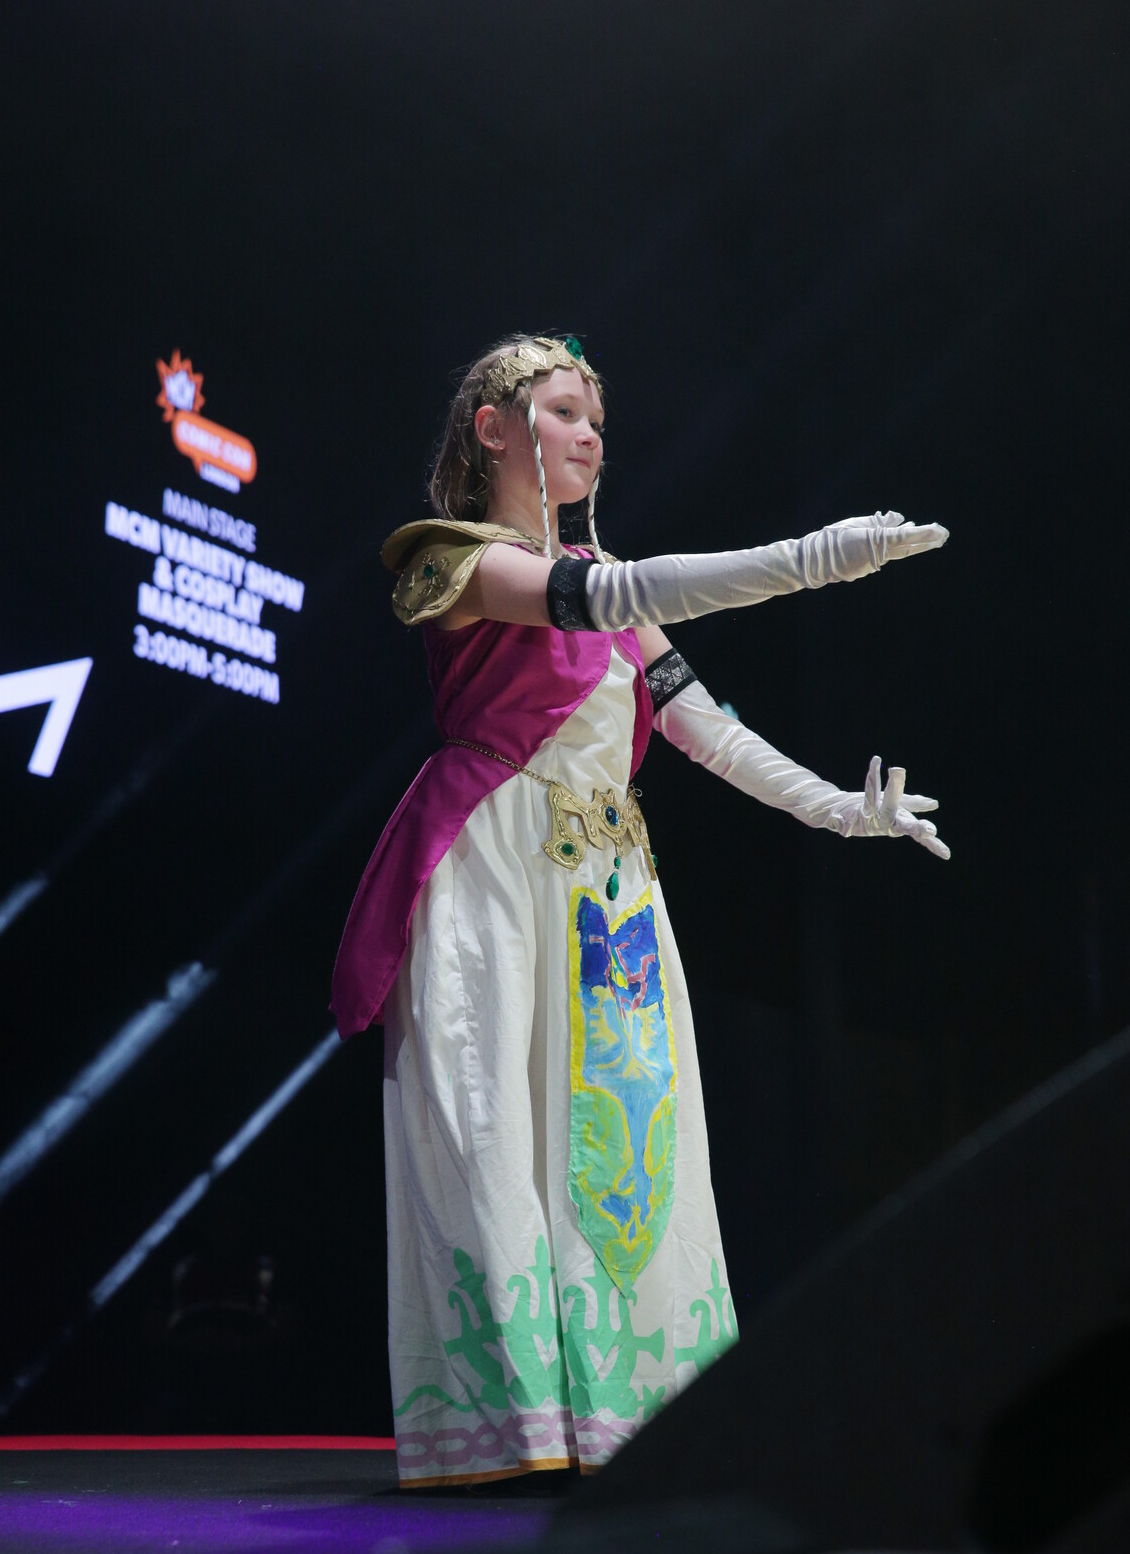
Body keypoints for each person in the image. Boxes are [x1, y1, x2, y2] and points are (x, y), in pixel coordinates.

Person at [332, 334, 949, 1489]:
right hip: (497, 867)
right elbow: (604, 594)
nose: (590, 436)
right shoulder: (461, 562)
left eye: (597, 421)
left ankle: (630, 1418)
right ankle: (514, 1425)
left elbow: (704, 727)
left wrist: (840, 812)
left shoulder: (609, 593)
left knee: (626, 1151)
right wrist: (811, 560)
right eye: (565, 410)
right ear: (494, 428)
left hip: (608, 894)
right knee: (493, 1133)